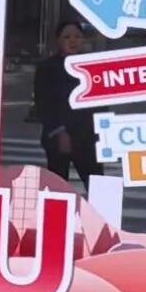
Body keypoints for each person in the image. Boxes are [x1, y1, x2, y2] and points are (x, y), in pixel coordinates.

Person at [33, 20, 103, 192]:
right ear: (58, 40)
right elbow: (43, 104)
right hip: (58, 138)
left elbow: (100, 103)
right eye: (67, 37)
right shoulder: (47, 68)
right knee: (58, 189)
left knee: (97, 187)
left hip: (88, 138)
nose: (73, 41)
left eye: (78, 37)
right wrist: (60, 131)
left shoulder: (91, 66)